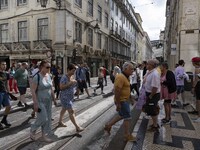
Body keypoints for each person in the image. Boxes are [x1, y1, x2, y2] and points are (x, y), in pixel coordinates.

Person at [104, 62, 136, 142]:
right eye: (131, 69)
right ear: (125, 69)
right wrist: (118, 103)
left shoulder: (126, 76)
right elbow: (117, 91)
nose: (133, 70)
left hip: (124, 100)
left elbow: (126, 89)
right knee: (127, 117)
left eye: (133, 69)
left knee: (122, 115)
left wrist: (131, 98)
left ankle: (108, 125)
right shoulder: (120, 77)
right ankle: (126, 135)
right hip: (121, 101)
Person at [30, 60, 57, 142]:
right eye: (47, 67)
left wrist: (54, 99)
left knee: (48, 119)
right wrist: (35, 104)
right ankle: (33, 129)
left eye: (50, 67)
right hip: (40, 101)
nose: (49, 68)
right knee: (43, 118)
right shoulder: (37, 77)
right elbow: (33, 91)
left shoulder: (49, 76)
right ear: (41, 67)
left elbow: (51, 88)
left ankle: (43, 136)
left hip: (48, 101)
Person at [58, 63, 84, 132]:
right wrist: (70, 83)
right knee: (71, 111)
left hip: (69, 97)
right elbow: (61, 87)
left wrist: (74, 87)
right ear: (68, 70)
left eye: (74, 71)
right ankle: (77, 127)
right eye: (72, 71)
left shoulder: (71, 76)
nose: (73, 72)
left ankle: (60, 122)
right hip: (65, 97)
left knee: (63, 109)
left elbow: (72, 85)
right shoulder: (64, 77)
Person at [144, 59, 161, 132]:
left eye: (148, 64)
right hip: (149, 93)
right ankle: (155, 124)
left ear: (152, 65)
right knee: (151, 109)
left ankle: (155, 126)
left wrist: (151, 95)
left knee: (152, 109)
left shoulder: (154, 74)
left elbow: (155, 87)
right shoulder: (149, 72)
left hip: (153, 94)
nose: (146, 65)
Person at [0, 61, 11, 130]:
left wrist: (9, 92)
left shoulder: (6, 74)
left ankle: (4, 119)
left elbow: (7, 83)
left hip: (5, 92)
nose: (4, 66)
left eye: (5, 64)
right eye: (3, 64)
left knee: (9, 106)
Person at [190, 57, 200, 122]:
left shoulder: (197, 69)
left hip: (198, 85)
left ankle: (199, 117)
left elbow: (196, 79)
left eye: (192, 62)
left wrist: (193, 87)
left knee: (198, 101)